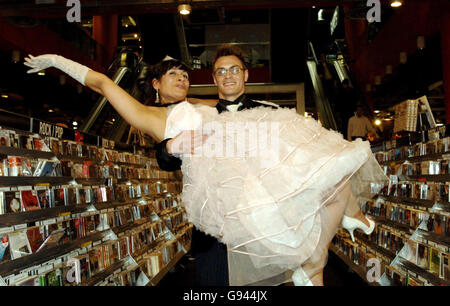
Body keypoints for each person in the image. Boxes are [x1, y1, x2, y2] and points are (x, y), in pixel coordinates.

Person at [24, 48, 387, 286]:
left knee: (331, 172)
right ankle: (328, 246)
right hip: (221, 208)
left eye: (185, 74)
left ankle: (345, 222)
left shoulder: (203, 105)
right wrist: (57, 60)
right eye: (172, 76)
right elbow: (104, 84)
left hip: (253, 188)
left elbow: (232, 112)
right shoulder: (150, 115)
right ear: (154, 84)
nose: (181, 79)